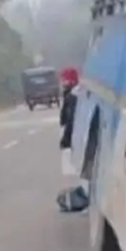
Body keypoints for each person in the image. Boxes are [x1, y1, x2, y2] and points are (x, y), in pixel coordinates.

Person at [56, 67, 89, 213]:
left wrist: (66, 140)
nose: (62, 83)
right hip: (81, 136)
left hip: (78, 137)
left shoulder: (73, 96)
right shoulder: (79, 93)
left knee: (81, 169)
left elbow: (68, 120)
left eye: (64, 80)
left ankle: (86, 199)